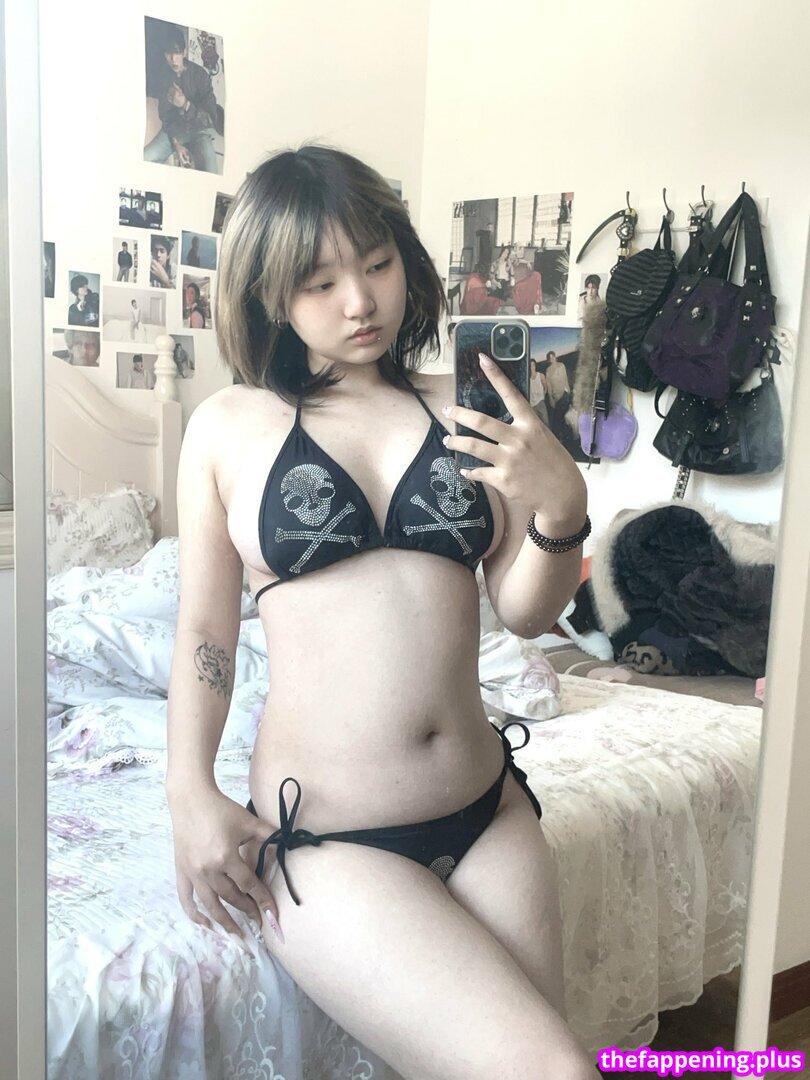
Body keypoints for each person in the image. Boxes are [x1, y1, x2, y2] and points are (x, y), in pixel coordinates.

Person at [165, 144, 595, 1080]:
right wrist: (188, 791)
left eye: (376, 264)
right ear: (269, 293)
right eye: (319, 283)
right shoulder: (229, 426)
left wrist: (562, 511)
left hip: (488, 815)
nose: (359, 302)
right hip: (330, 840)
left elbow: (523, 611)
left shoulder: (471, 411)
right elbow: (205, 632)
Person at [144, 23, 219, 173]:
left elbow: (211, 118)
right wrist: (177, 144)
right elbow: (166, 117)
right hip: (174, 132)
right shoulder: (164, 77)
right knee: (146, 157)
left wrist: (185, 104)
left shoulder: (200, 75)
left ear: (184, 53)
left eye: (177, 53)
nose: (173, 59)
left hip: (199, 132)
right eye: (168, 53)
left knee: (211, 170)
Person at [529, 358, 550, 427]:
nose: (532, 367)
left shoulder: (540, 375)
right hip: (532, 405)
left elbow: (546, 387)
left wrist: (543, 396)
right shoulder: (528, 379)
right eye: (530, 365)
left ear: (535, 366)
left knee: (546, 423)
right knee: (537, 425)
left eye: (533, 365)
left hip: (540, 402)